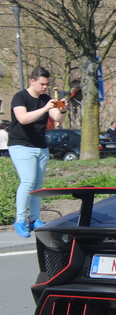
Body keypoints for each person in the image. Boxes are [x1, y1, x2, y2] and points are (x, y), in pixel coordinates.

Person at [9, 66, 68, 237]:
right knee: (27, 181)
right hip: (21, 145)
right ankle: (20, 220)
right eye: (42, 84)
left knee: (37, 185)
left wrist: (62, 109)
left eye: (47, 85)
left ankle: (34, 219)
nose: (44, 87)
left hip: (40, 146)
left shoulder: (46, 98)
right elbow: (23, 118)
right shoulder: (20, 97)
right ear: (32, 81)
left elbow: (58, 118)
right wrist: (44, 109)